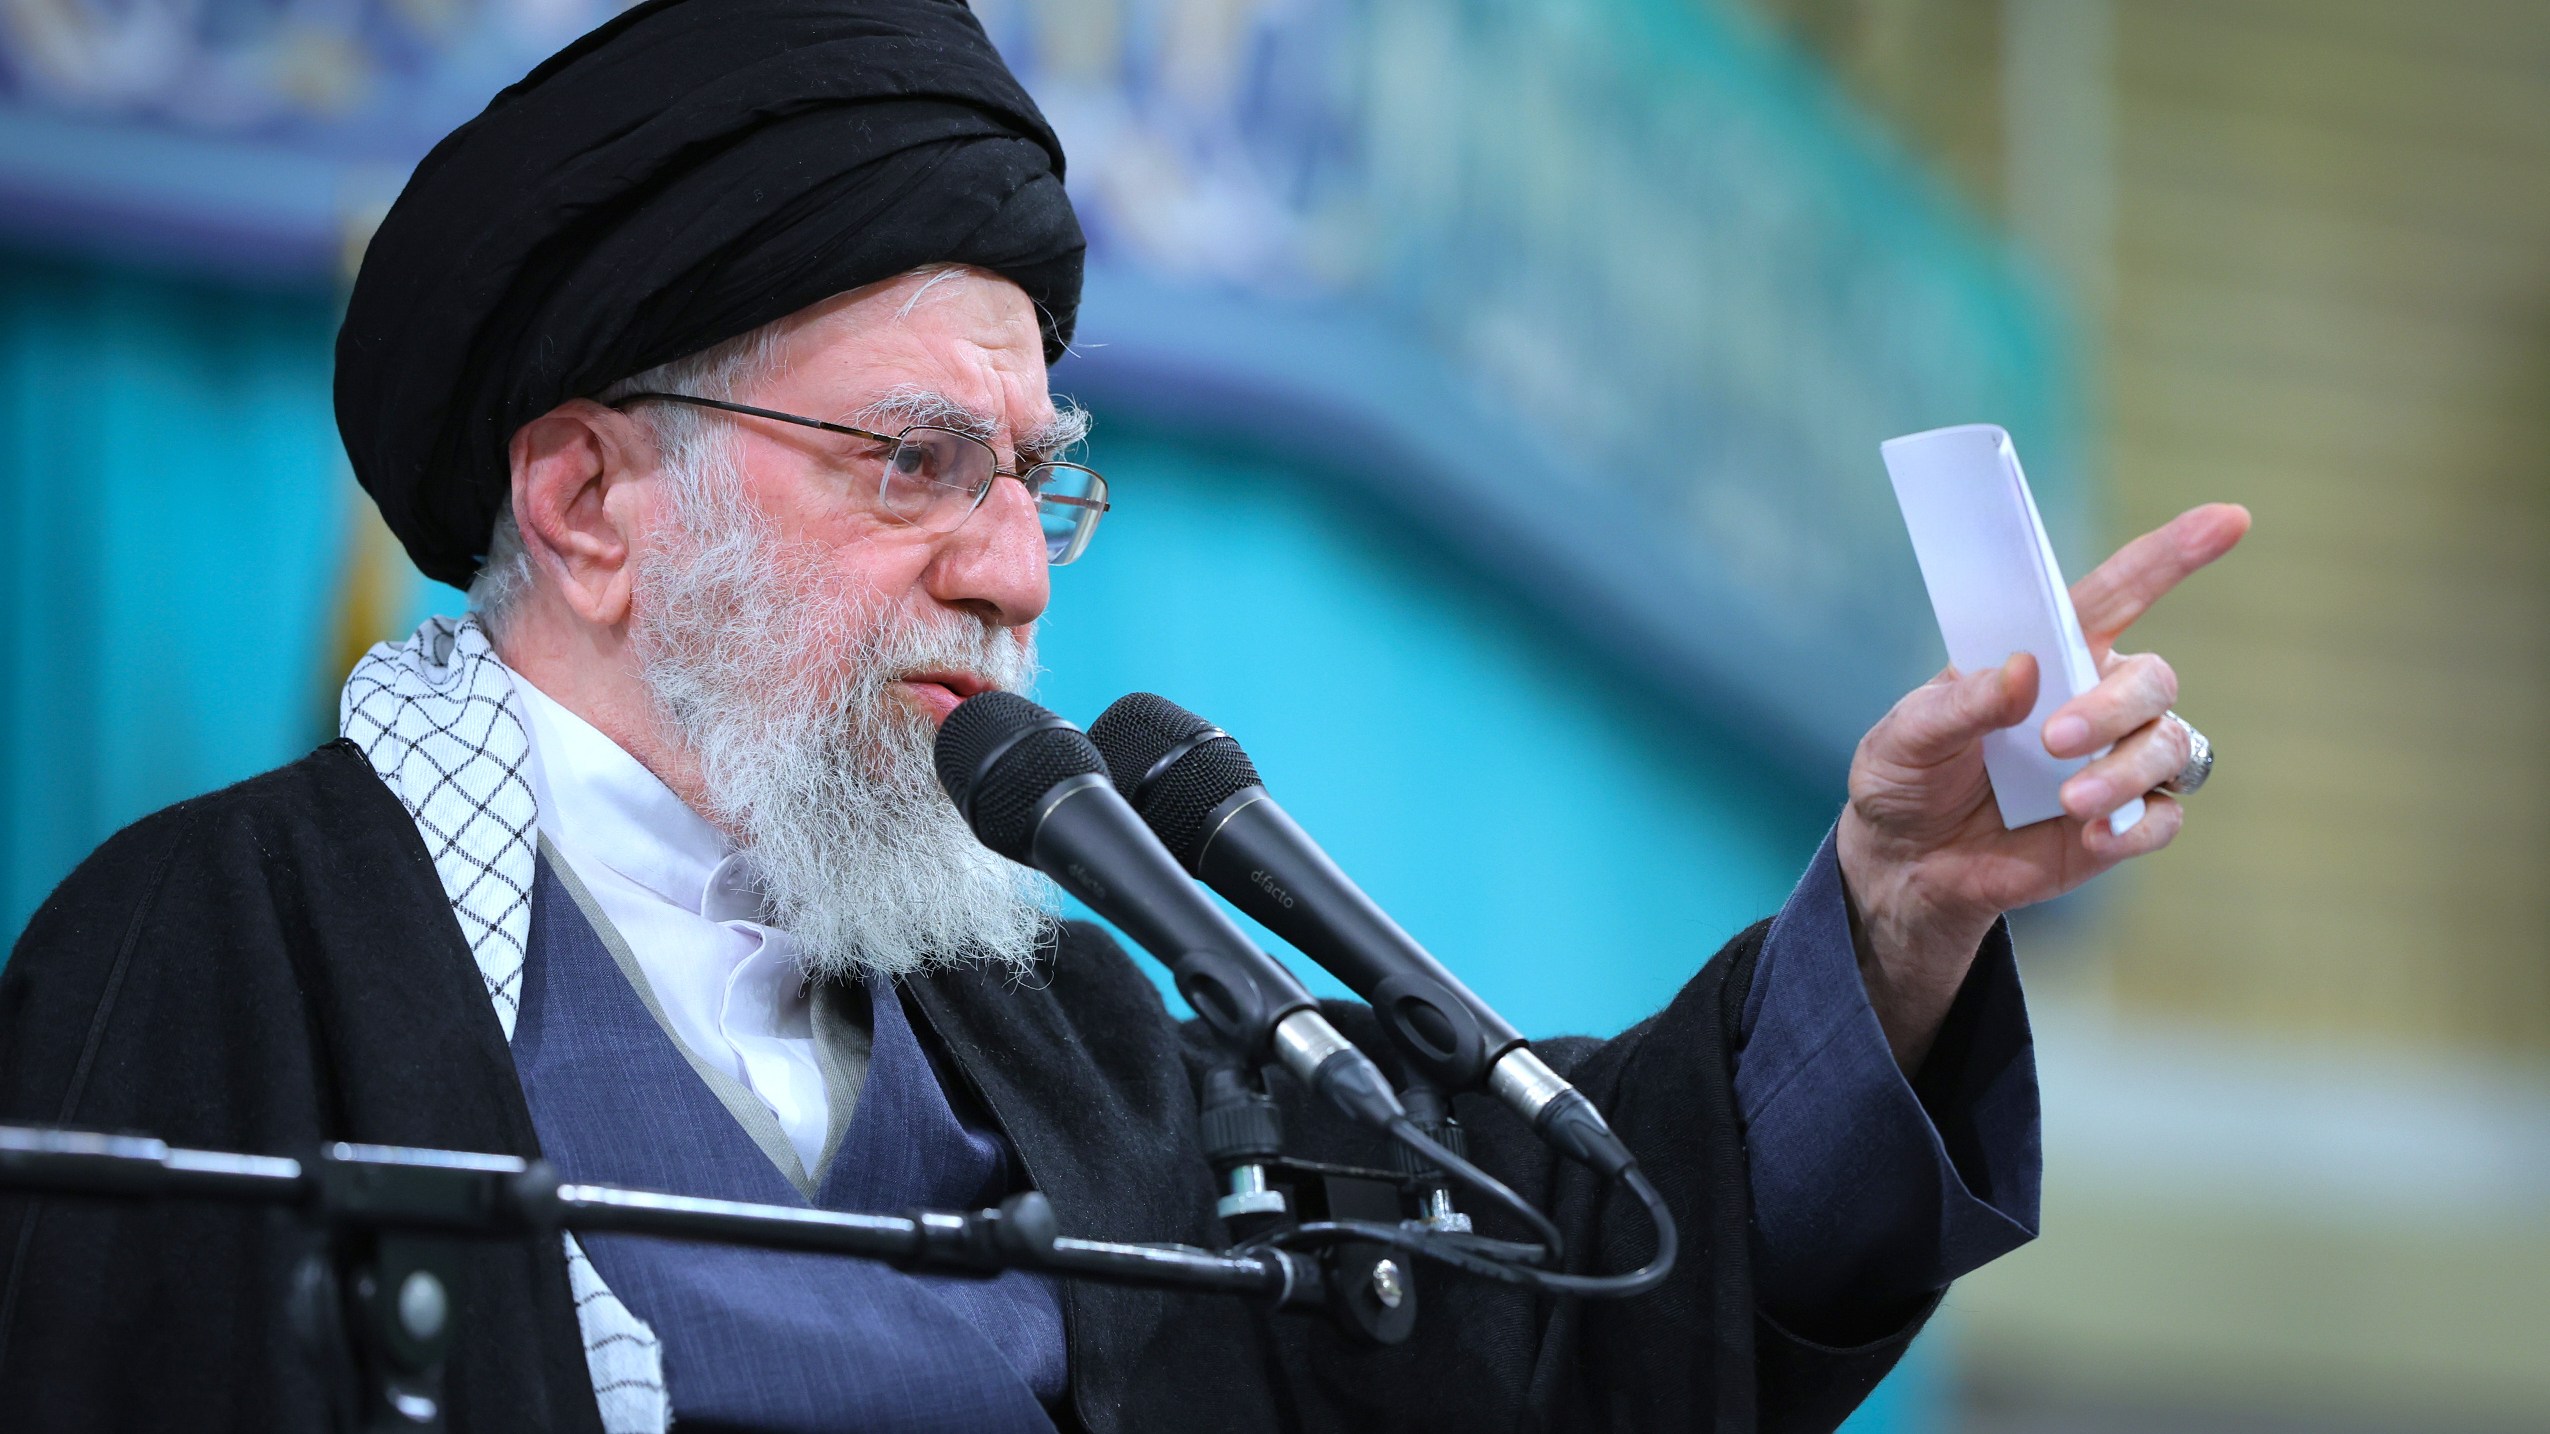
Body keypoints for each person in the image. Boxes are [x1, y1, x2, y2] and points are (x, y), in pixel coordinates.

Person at [0, 2, 2246, 1431]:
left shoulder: (1063, 1025)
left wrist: (1894, 917)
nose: (1010, 565)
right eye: (913, 466)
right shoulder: (212, 961)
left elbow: (1554, 1315)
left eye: (1040, 477)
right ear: (588, 497)